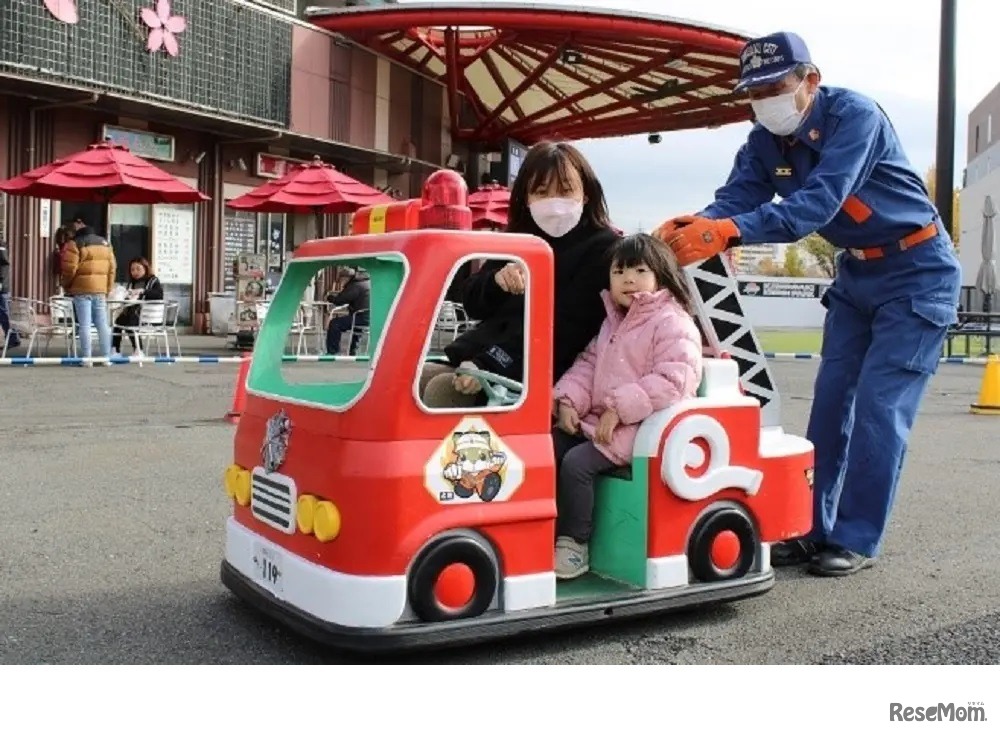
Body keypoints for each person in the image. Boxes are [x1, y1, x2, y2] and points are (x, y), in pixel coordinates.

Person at [652, 31, 962, 577]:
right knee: (829, 404)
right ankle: (809, 528)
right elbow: (735, 200)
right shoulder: (761, 142)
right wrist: (695, 227)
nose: (764, 100)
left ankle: (857, 538)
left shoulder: (855, 118)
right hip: (857, 274)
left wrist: (727, 231)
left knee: (878, 410)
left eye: (775, 86)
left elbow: (815, 205)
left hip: (918, 271)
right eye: (753, 91)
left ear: (810, 81)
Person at [550, 233, 704, 579]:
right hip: (600, 423)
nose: (628, 279)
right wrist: (568, 401)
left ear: (660, 275)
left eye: (639, 270)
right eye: (619, 271)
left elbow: (675, 379)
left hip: (642, 429)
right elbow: (588, 365)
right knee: (545, 448)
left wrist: (619, 408)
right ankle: (540, 530)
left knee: (576, 464)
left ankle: (574, 544)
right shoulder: (612, 321)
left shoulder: (672, 321)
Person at [421, 141, 619, 407]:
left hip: (547, 372)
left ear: (585, 194)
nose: (554, 202)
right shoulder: (518, 238)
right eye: (541, 192)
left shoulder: (603, 248)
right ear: (526, 198)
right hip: (483, 358)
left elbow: (568, 328)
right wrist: (496, 282)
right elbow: (471, 299)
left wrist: (488, 364)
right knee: (412, 381)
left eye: (566, 190)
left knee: (439, 393)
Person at [61, 217, 116, 365]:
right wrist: (108, 288)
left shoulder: (75, 243)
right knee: (102, 324)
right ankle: (106, 357)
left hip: (81, 290)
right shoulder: (106, 244)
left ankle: (87, 358)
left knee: (85, 324)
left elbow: (69, 269)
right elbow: (112, 270)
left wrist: (66, 285)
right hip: (100, 290)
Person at [111, 257, 163, 357]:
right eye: (132, 270)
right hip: (134, 313)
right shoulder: (132, 283)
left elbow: (159, 294)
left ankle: (138, 350)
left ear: (145, 268)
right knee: (118, 321)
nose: (135, 272)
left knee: (130, 321)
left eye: (138, 269)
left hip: (149, 316)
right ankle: (115, 350)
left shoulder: (153, 280)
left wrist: (143, 291)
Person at [325, 266, 370, 355]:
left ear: (346, 278)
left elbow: (340, 300)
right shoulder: (367, 282)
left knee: (335, 323)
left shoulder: (355, 285)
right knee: (355, 325)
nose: (340, 281)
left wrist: (329, 297)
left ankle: (332, 352)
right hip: (370, 317)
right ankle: (353, 350)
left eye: (341, 278)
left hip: (361, 318)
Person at [0, 238, 20, 350]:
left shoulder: (1, 245)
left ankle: (13, 338)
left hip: (2, 287)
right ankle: (12, 338)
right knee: (3, 313)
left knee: (4, 313)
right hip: (3, 286)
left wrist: (1, 281)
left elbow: (4, 264)